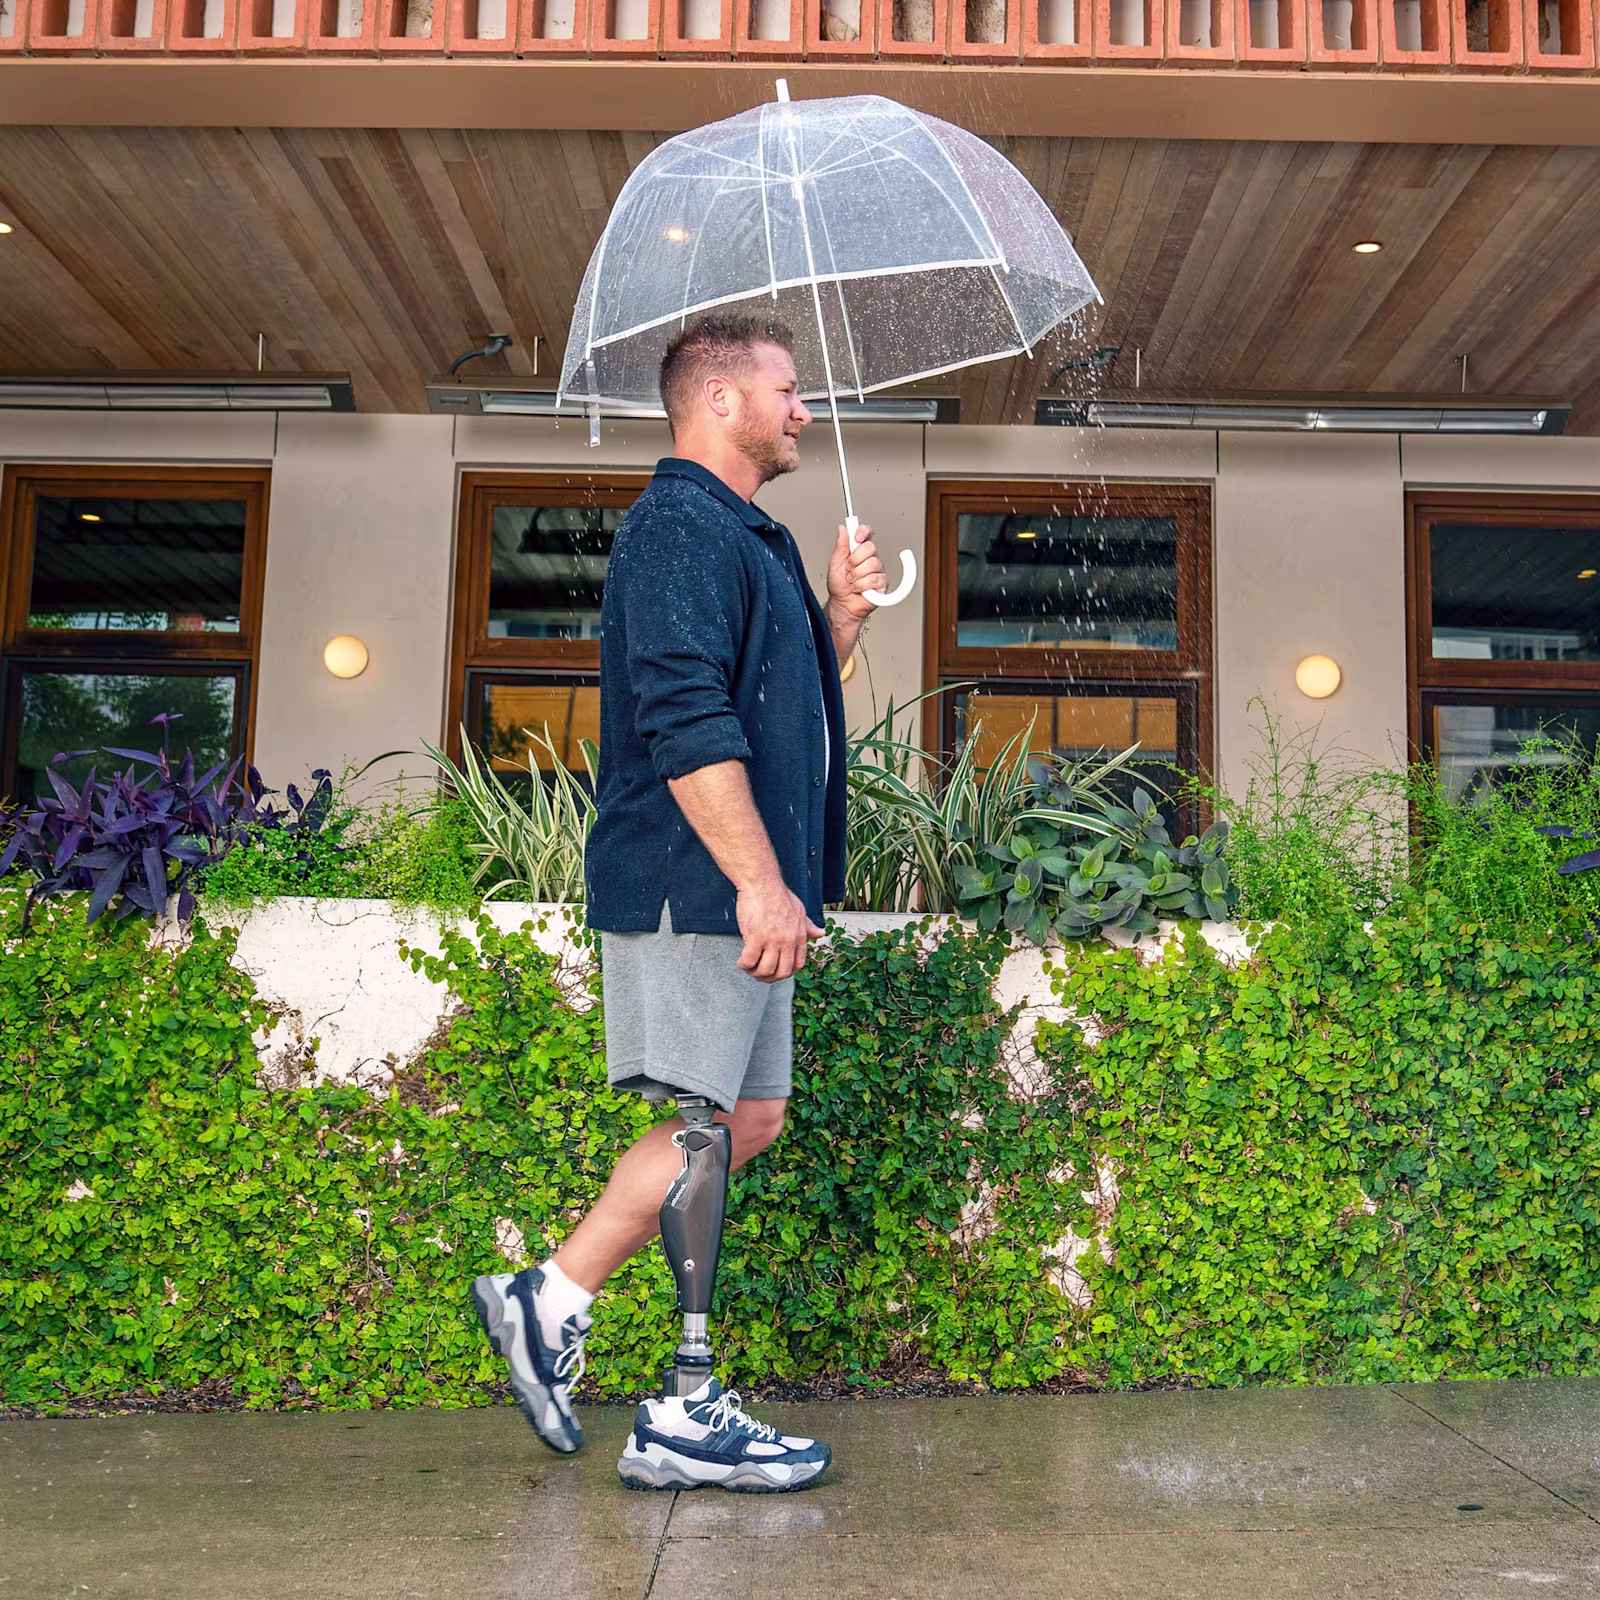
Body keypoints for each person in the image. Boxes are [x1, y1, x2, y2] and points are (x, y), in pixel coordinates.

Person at [472, 311, 886, 1494]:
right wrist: (759, 879)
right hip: (697, 888)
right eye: (789, 390)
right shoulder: (676, 529)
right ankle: (683, 1411)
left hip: (748, 893)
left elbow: (775, 715)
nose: (806, 409)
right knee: (709, 1122)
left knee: (747, 1121)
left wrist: (838, 624)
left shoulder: (745, 538)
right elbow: (685, 720)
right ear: (718, 401)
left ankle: (542, 1300)